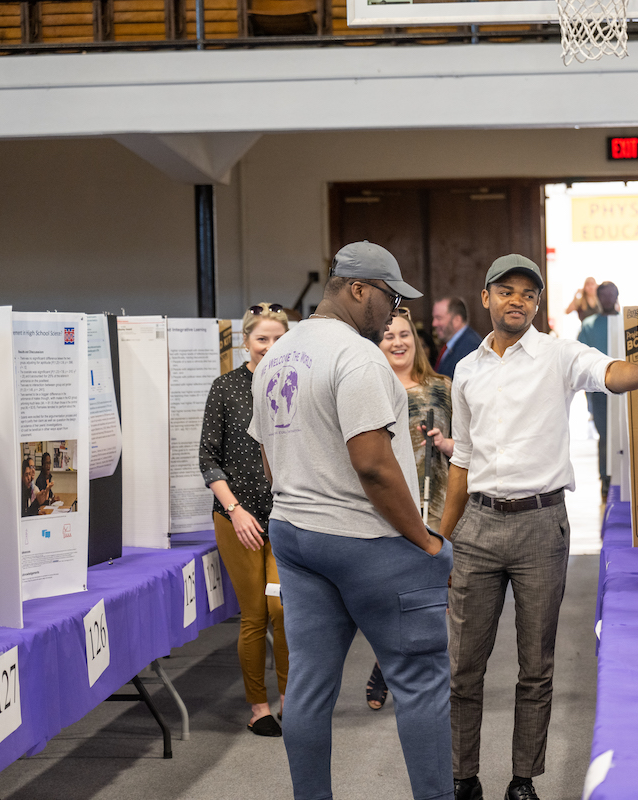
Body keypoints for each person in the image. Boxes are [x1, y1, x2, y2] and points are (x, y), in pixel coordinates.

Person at [442, 255, 638, 800]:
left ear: (537, 304)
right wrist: (441, 539)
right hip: (477, 527)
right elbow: (461, 460)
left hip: (541, 526)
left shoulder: (558, 354)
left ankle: (523, 781)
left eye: (528, 294)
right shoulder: (467, 370)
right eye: (507, 291)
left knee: (535, 667)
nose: (518, 300)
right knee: (463, 668)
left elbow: (606, 372)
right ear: (488, 297)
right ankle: (462, 778)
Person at [250, 241, 453, 800]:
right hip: (371, 542)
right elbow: (373, 464)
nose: (393, 314)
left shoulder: (275, 357)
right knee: (421, 683)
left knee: (310, 687)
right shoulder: (356, 357)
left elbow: (268, 455)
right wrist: (426, 542)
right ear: (359, 289)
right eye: (389, 298)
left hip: (296, 536)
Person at [199, 301, 291, 737]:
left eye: (278, 338)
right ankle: (259, 706)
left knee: (284, 610)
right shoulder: (226, 388)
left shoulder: (297, 385)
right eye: (262, 338)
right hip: (237, 519)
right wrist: (235, 511)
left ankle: (293, 699)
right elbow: (208, 458)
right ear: (246, 342)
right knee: (255, 614)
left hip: (288, 517)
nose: (270, 346)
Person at [367, 305, 455, 712]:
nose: (398, 342)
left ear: (414, 340)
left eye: (404, 334)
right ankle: (388, 665)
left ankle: (411, 674)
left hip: (438, 500)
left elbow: (465, 448)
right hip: (393, 505)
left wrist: (445, 444)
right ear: (377, 342)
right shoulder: (371, 390)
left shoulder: (443, 387)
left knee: (435, 594)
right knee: (397, 595)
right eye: (389, 336)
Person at [577, 281, 621, 500]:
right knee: (604, 435)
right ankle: (605, 479)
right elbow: (581, 356)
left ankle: (625, 476)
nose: (607, 299)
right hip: (599, 391)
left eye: (611, 295)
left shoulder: (625, 323)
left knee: (624, 433)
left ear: (616, 296)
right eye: (603, 295)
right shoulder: (589, 325)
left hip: (625, 390)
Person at [432, 296, 483, 380]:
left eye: (439, 318)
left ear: (457, 320)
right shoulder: (454, 344)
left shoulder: (470, 347)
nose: (434, 324)